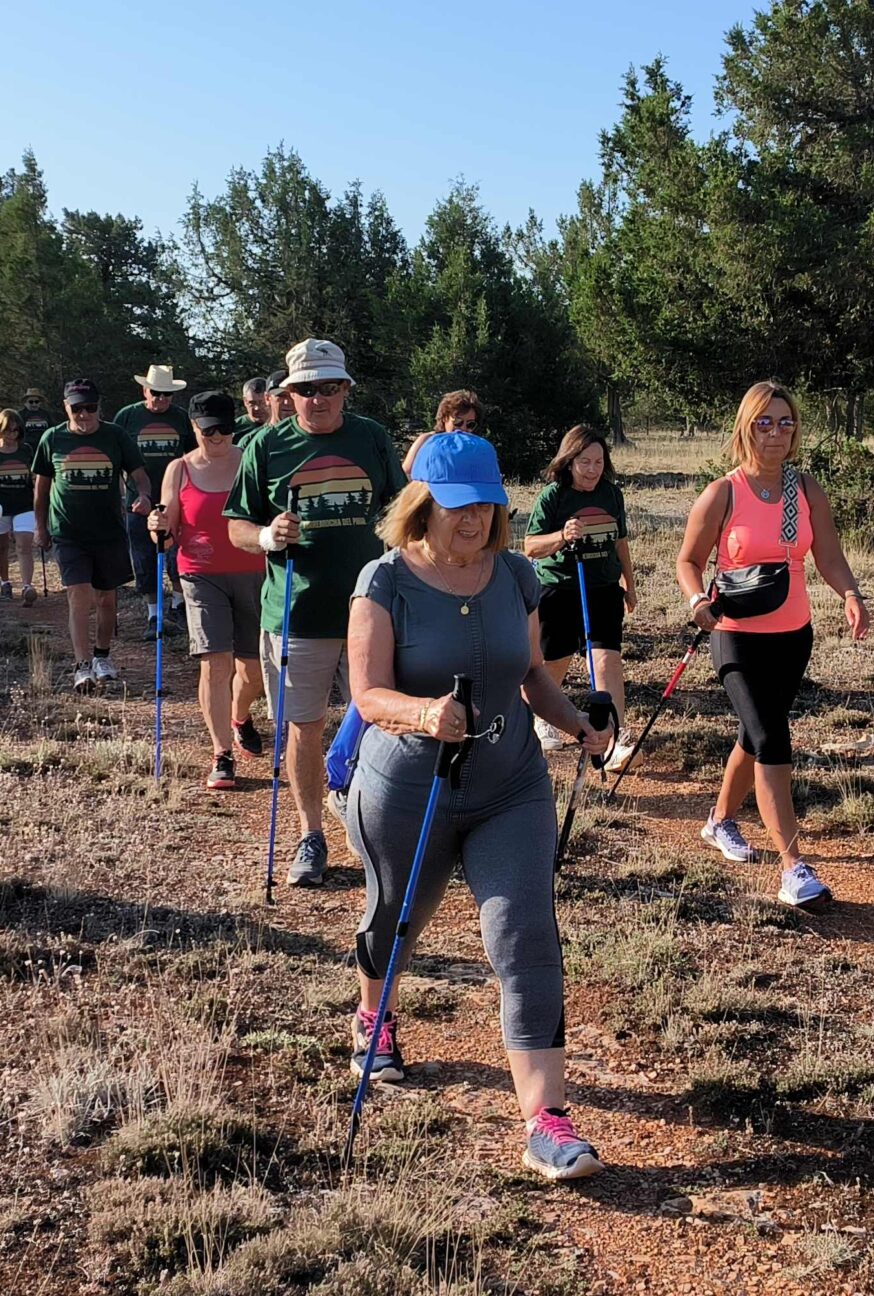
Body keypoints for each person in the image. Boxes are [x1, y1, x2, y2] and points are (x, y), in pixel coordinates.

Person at [344, 432, 612, 1181]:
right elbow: (366, 694)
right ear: (420, 503)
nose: (473, 520)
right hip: (409, 787)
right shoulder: (385, 579)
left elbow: (529, 675)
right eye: (457, 506)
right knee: (396, 917)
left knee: (525, 935)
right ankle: (375, 1015)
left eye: (486, 505)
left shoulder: (516, 576)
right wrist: (423, 713)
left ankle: (547, 1121)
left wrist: (578, 726)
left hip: (510, 785)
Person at [675, 382, 870, 908]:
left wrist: (849, 593)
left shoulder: (804, 489)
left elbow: (827, 555)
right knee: (772, 737)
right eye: (765, 422)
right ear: (746, 427)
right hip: (735, 636)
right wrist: (697, 601)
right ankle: (794, 869)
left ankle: (718, 821)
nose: (777, 433)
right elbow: (688, 561)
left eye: (786, 423)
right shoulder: (724, 492)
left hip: (793, 636)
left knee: (754, 735)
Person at [228, 339, 404, 887]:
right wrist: (264, 535)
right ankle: (311, 834)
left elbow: (402, 510)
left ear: (346, 389)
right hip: (295, 614)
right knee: (302, 727)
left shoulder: (371, 437)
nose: (319, 398)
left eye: (330, 387)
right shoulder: (264, 447)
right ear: (289, 394)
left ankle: (375, 821)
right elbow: (235, 524)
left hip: (370, 610)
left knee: (383, 720)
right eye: (307, 389)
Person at [151, 391, 268, 790]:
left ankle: (239, 716)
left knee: (252, 671)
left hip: (254, 571)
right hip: (200, 574)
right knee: (215, 663)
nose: (217, 438)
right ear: (194, 429)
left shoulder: (250, 461)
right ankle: (222, 754)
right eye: (208, 430)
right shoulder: (179, 469)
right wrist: (159, 527)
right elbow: (168, 527)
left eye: (225, 429)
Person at [524, 424, 637, 764]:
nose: (592, 470)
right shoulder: (553, 497)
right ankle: (542, 718)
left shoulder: (611, 495)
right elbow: (530, 546)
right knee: (554, 661)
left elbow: (620, 543)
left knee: (607, 659)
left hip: (602, 588)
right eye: (585, 462)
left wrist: (629, 585)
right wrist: (561, 534)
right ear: (570, 461)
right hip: (559, 587)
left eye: (599, 462)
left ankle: (613, 737)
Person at [35, 379, 153, 689]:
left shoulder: (115, 435)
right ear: (66, 407)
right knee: (79, 595)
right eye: (77, 408)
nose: (84, 414)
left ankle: (102, 656)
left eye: (91, 408)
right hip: (68, 531)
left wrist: (143, 496)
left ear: (99, 408)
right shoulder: (52, 438)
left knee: (105, 599)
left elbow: (140, 476)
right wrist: (40, 527)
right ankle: (82, 665)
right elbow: (41, 489)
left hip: (109, 530)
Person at [113, 364, 194, 629]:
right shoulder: (127, 417)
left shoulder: (182, 418)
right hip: (139, 501)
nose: (160, 399)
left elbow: (193, 456)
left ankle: (177, 605)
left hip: (177, 499)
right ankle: (153, 614)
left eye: (166, 394)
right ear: (145, 391)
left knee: (177, 556)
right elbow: (116, 458)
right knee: (144, 558)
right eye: (156, 393)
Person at [0, 408, 39, 604]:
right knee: (0, 545)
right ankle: (5, 582)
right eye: (8, 430)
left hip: (24, 503)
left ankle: (27, 586)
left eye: (16, 431)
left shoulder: (26, 450)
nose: (12, 435)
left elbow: (34, 475)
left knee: (24, 545)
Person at [402, 389, 481, 474]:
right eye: (458, 422)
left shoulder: (476, 446)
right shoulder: (427, 440)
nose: (463, 428)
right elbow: (407, 469)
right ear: (444, 418)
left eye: (470, 424)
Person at [236, 375, 273, 442]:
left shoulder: (280, 425)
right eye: (252, 403)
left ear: (269, 399)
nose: (257, 408)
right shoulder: (233, 429)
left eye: (262, 403)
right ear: (245, 401)